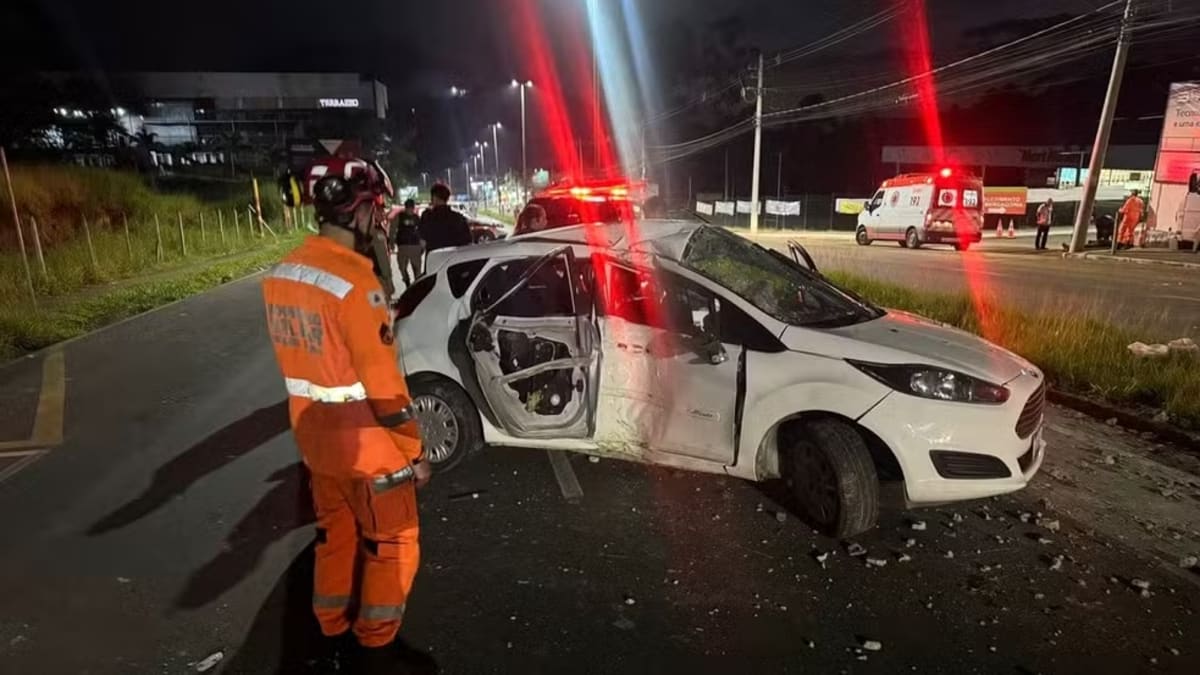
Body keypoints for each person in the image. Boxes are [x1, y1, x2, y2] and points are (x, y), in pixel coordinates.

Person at [262, 157, 433, 672]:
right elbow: (384, 390)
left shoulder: (283, 275)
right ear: (360, 211)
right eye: (376, 208)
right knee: (394, 543)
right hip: (370, 451)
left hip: (316, 445)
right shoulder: (358, 285)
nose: (378, 219)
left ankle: (330, 633)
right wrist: (416, 453)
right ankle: (375, 646)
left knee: (335, 539)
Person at [418, 183, 471, 252]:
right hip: (452, 259)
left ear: (434, 197)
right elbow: (467, 240)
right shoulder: (458, 218)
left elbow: (422, 242)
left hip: (434, 258)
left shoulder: (427, 216)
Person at [391, 198, 424, 285]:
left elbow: (422, 232)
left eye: (411, 207)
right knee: (402, 268)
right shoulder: (399, 217)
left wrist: (422, 246)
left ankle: (416, 287)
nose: (410, 209)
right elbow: (392, 229)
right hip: (403, 247)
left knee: (417, 270)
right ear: (405, 208)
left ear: (413, 208)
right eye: (408, 207)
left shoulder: (417, 218)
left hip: (414, 246)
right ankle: (407, 282)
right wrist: (391, 242)